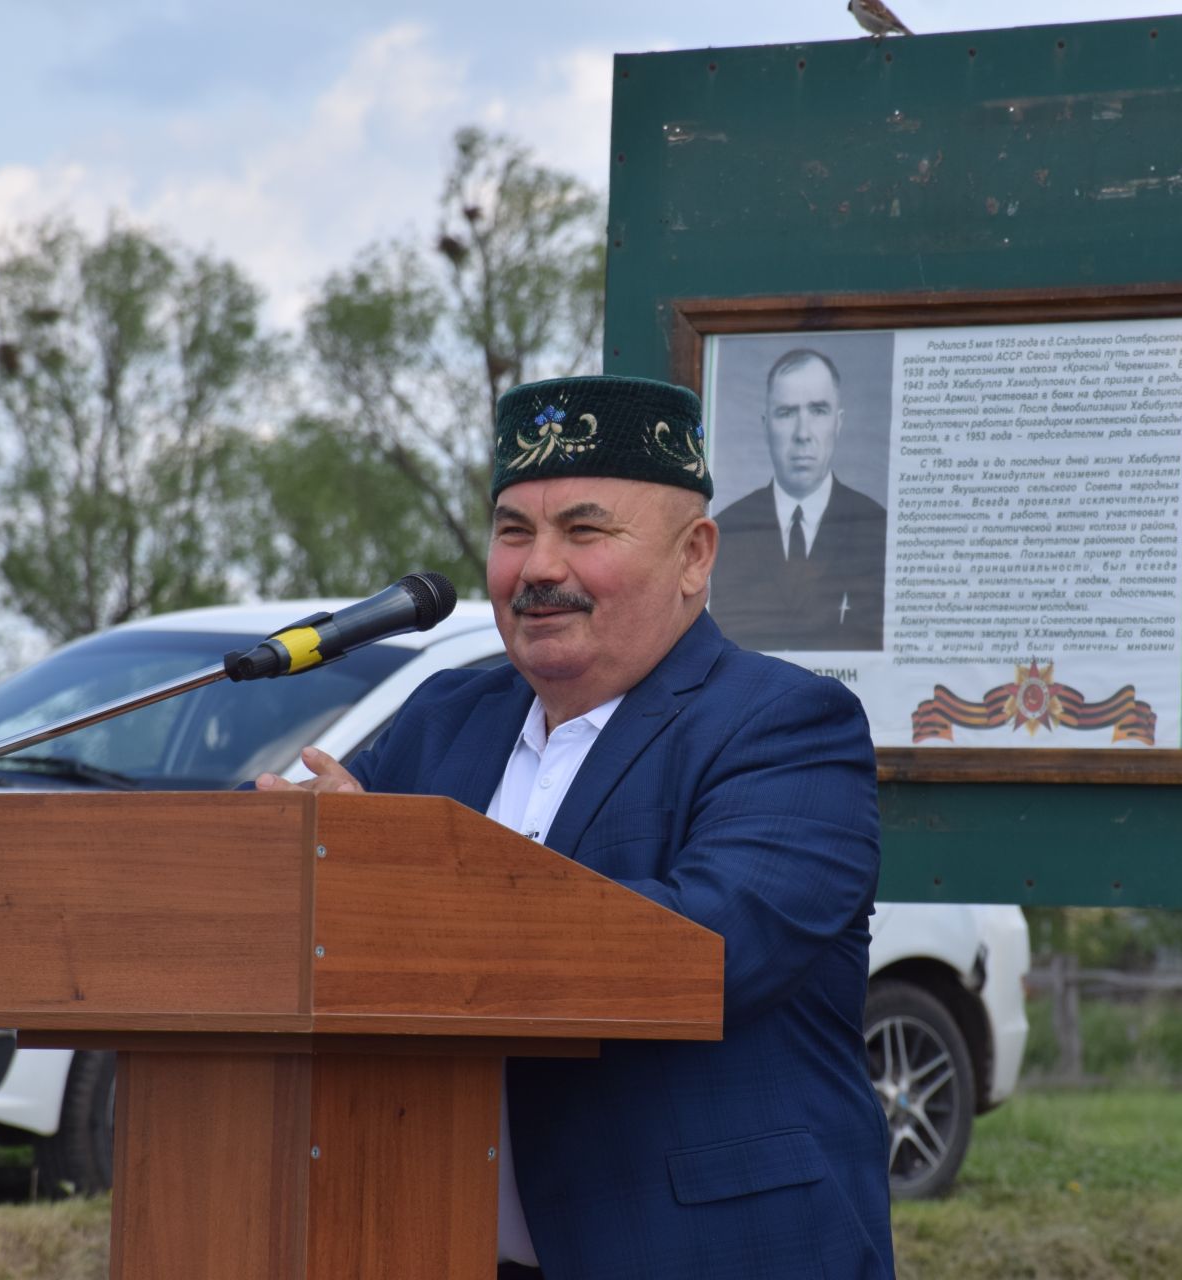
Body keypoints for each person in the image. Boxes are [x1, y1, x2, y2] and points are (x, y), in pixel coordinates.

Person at [258, 374, 894, 1280]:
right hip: (440, 1243)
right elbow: (331, 907)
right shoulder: (448, 715)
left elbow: (698, 949)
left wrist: (392, 884)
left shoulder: (787, 725)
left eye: (585, 531)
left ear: (695, 556)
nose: (539, 569)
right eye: (513, 532)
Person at [710, 349, 887, 651]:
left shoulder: (877, 527)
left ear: (838, 423)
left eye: (818, 411)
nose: (802, 434)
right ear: (766, 426)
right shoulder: (725, 531)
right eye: (787, 413)